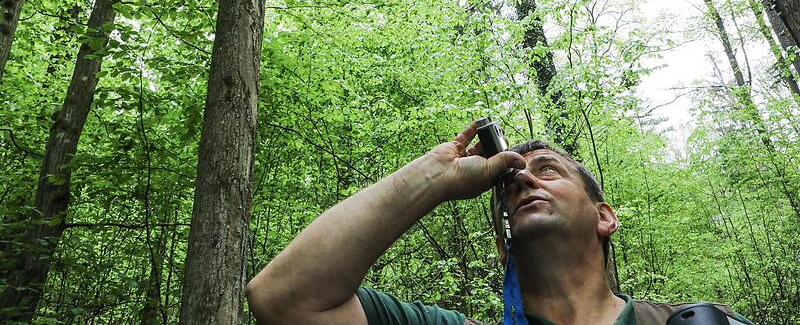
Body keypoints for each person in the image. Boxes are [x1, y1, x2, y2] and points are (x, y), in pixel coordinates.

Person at [247, 121, 754, 325]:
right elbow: (282, 299)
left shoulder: (692, 323)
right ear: (501, 244)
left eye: (548, 171)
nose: (523, 182)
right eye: (512, 184)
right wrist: (434, 177)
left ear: (604, 217)